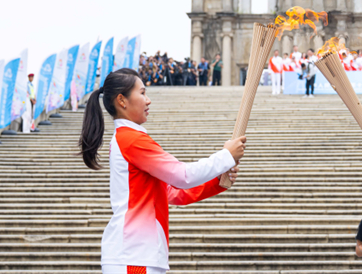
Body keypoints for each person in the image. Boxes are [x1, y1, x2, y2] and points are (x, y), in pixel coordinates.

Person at [79, 68, 246, 274]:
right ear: (122, 100)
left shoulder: (131, 139)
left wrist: (217, 181)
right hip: (133, 255)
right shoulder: (131, 139)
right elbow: (182, 175)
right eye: (142, 93)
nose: (148, 100)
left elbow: (173, 193)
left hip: (139, 255)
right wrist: (225, 156)